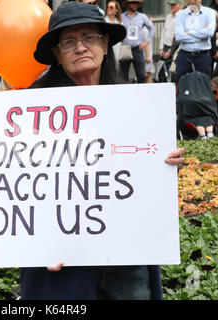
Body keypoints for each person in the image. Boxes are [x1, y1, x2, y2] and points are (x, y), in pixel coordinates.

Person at [22, 1, 185, 300]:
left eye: (89, 38)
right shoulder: (32, 111)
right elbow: (19, 182)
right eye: (68, 41)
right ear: (56, 54)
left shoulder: (135, 103)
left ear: (105, 43)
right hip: (61, 257)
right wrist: (38, 244)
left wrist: (165, 163)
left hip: (127, 249)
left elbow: (145, 168)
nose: (80, 47)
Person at [174, 0, 217, 83]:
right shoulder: (180, 14)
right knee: (181, 85)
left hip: (203, 56)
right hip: (185, 55)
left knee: (203, 86)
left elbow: (209, 32)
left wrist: (188, 32)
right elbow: (179, 37)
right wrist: (201, 35)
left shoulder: (210, 13)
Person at [120, 0, 155, 84]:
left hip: (137, 48)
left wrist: (147, 41)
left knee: (141, 75)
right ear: (128, 4)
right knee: (123, 75)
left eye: (137, 3)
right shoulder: (121, 17)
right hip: (125, 48)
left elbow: (152, 28)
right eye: (133, 3)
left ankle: (141, 94)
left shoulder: (142, 16)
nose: (135, 5)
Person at [159, 0, 183, 82]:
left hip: (175, 48)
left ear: (180, 5)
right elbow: (163, 32)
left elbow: (177, 37)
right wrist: (161, 48)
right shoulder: (168, 17)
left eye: (174, 5)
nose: (171, 7)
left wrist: (170, 51)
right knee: (163, 73)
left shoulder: (182, 16)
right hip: (166, 46)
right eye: (170, 5)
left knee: (174, 72)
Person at [104, 0, 123, 69]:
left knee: (116, 67)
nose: (108, 9)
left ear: (116, 10)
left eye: (111, 7)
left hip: (117, 48)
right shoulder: (103, 21)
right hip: (106, 48)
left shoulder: (119, 22)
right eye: (107, 7)